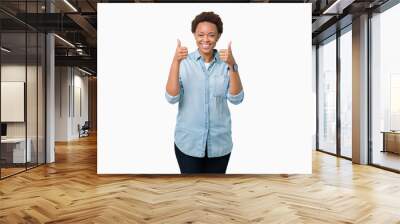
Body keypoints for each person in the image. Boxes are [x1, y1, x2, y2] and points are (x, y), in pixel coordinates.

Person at [165, 11, 244, 174]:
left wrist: (232, 64)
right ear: (194, 35)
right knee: (190, 193)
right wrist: (175, 61)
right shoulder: (184, 62)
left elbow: (237, 99)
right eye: (201, 34)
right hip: (188, 144)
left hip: (220, 145)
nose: (205, 40)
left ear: (218, 36)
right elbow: (172, 97)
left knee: (215, 194)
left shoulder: (225, 63)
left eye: (211, 35)